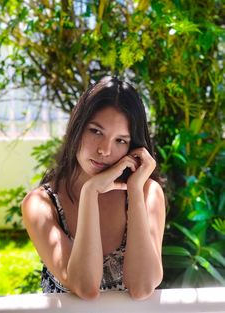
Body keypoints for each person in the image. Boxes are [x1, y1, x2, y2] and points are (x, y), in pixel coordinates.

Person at [21, 76, 166, 300]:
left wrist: (135, 191)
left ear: (133, 146)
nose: (104, 150)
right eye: (96, 131)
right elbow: (85, 287)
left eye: (120, 140)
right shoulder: (42, 203)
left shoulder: (147, 193)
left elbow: (142, 287)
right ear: (77, 128)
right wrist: (90, 193)